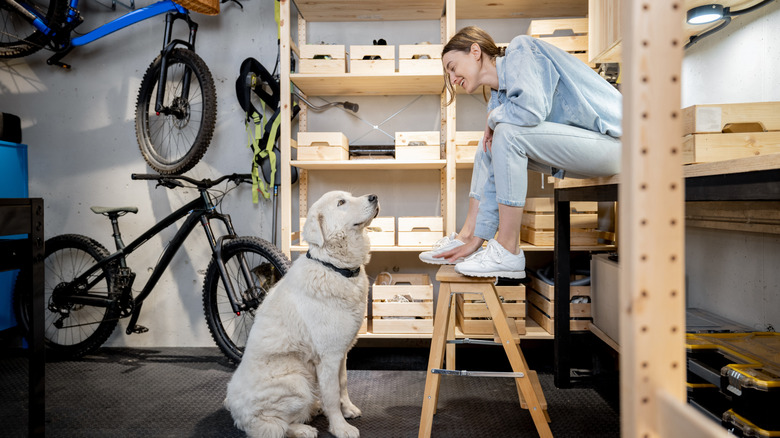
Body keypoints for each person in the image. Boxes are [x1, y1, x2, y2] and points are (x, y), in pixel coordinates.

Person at [419, 26, 622, 279]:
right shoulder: (499, 98)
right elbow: (493, 175)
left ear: (474, 52)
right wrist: (478, 238)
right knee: (488, 146)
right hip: (589, 152)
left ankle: (508, 249)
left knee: (506, 132)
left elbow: (531, 110)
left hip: (619, 143)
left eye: (452, 67)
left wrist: (494, 118)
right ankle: (469, 236)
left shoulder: (521, 49)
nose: (452, 78)